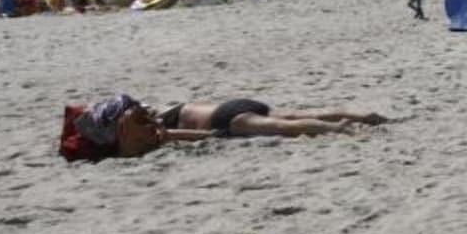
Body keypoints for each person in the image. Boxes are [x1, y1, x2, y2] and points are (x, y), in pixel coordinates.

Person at [63, 95, 390, 162]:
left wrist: (207, 136)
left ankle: (341, 128)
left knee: (283, 127)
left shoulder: (152, 128)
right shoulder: (154, 114)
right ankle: (361, 116)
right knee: (294, 115)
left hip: (224, 119)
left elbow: (203, 135)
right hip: (230, 105)